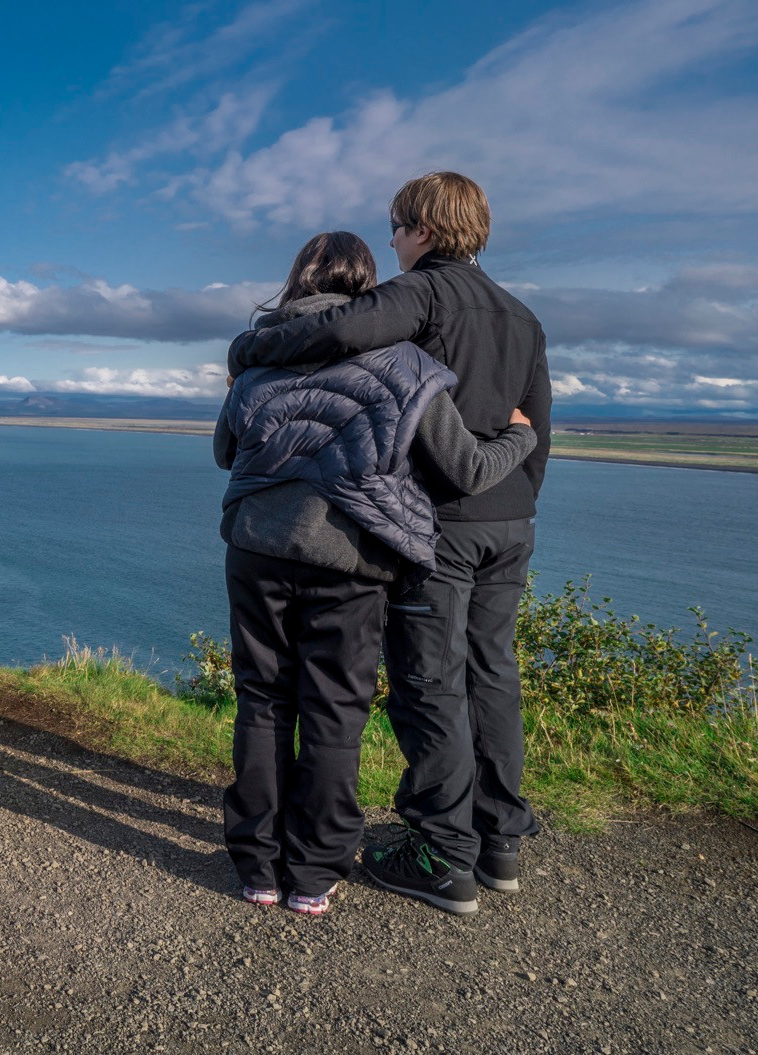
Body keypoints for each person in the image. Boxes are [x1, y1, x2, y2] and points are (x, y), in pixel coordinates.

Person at [228, 173, 551, 916]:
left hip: (441, 515)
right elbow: (535, 420)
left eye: (399, 228)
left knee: (429, 683)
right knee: (492, 673)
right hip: (511, 514)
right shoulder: (524, 316)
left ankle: (444, 850)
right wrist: (521, 494)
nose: (396, 241)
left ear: (424, 231)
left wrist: (255, 347)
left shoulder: (419, 297)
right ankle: (498, 836)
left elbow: (340, 332)